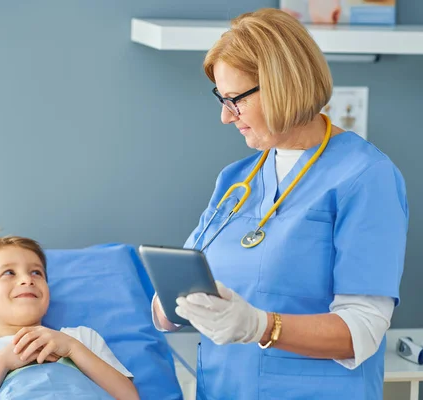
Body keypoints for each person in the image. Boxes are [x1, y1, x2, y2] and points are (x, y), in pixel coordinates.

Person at [152, 8, 408, 400]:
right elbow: (180, 289)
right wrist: (169, 308)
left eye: (235, 99)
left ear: (281, 86)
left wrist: (262, 327)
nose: (225, 116)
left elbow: (362, 330)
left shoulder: (365, 177)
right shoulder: (236, 179)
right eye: (221, 99)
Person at [0, 235, 139, 400]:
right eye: (9, 273)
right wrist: (0, 364)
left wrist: (73, 349)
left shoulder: (81, 338)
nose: (27, 279)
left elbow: (129, 397)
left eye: (36, 273)